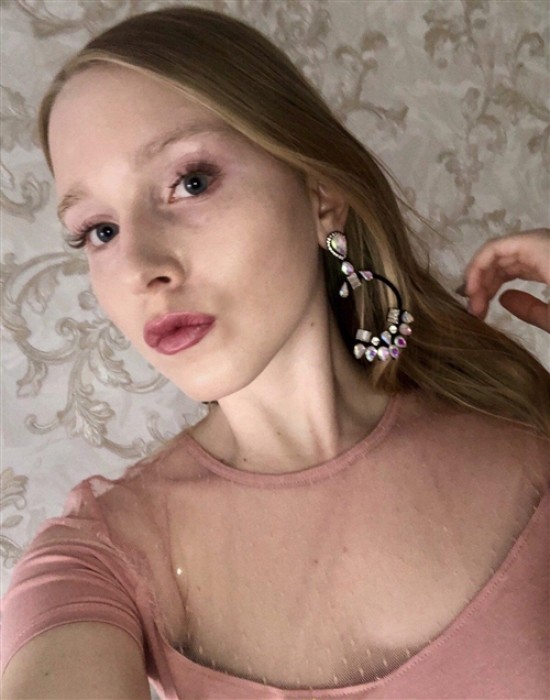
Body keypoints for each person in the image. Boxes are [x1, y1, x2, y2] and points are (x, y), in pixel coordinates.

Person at [1, 7, 549, 699]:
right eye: (100, 231)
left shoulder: (525, 431)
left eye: (190, 182)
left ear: (320, 194)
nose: (140, 267)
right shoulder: (98, 562)